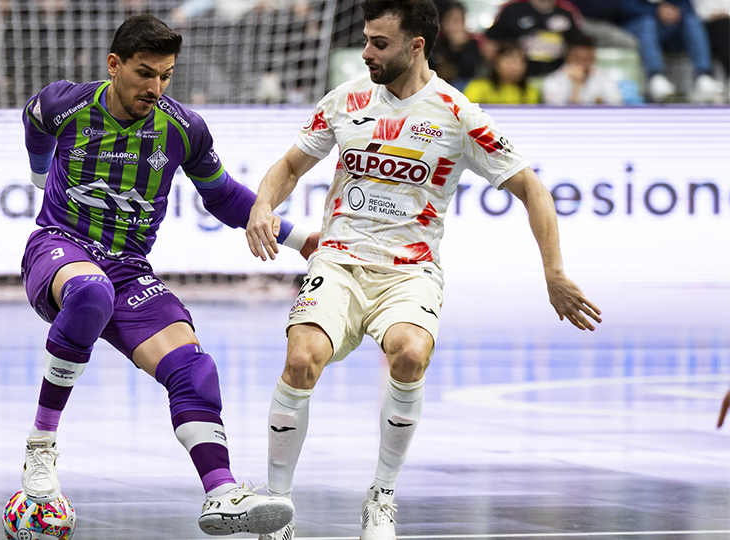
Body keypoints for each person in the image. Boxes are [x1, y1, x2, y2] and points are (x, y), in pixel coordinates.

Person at [244, 1, 603, 539]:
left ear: (416, 45)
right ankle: (277, 507)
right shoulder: (346, 100)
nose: (366, 52)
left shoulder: (457, 115)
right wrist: (261, 206)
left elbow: (533, 189)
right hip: (340, 261)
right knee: (300, 361)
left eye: (379, 43)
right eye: (366, 39)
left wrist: (553, 272)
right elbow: (290, 166)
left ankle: (382, 497)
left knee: (411, 354)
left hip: (410, 273)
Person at [19, 14, 313, 536]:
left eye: (166, 76)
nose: (155, 87)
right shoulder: (68, 104)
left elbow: (221, 195)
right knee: (90, 293)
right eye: (144, 73)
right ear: (114, 65)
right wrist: (40, 173)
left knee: (193, 367)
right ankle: (40, 449)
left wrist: (298, 239)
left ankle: (222, 494)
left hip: (129, 271)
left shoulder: (183, 127)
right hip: (60, 248)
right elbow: (33, 121)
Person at [619, 0, 723, 102]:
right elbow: (625, 7)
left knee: (692, 21)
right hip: (639, 24)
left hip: (671, 27)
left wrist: (677, 11)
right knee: (647, 22)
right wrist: (656, 11)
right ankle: (655, 77)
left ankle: (703, 76)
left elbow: (687, 5)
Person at [484, 0, 586, 78]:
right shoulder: (512, 10)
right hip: (519, 80)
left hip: (556, 78)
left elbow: (577, 48)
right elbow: (491, 44)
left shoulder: (567, 12)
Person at [542, 33, 624, 104]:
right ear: (568, 58)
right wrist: (576, 86)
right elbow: (561, 116)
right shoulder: (553, 81)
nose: (584, 65)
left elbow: (616, 107)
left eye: (588, 59)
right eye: (578, 60)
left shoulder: (606, 77)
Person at [464, 40, 542, 104]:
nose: (515, 67)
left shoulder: (531, 92)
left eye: (520, 61)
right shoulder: (478, 88)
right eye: (510, 61)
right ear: (496, 63)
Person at [430, 1, 484, 89]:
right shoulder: (434, 44)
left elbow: (471, 71)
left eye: (458, 20)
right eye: (450, 19)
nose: (454, 25)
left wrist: (459, 48)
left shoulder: (473, 44)